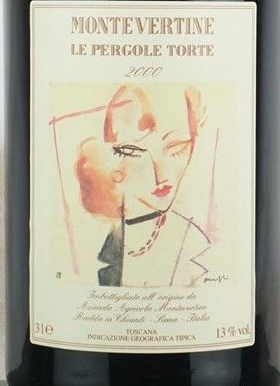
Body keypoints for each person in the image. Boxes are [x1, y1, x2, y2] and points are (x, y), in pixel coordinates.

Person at [74, 84, 212, 287]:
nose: (160, 176)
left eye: (176, 148)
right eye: (134, 151)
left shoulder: (194, 247)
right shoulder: (95, 244)